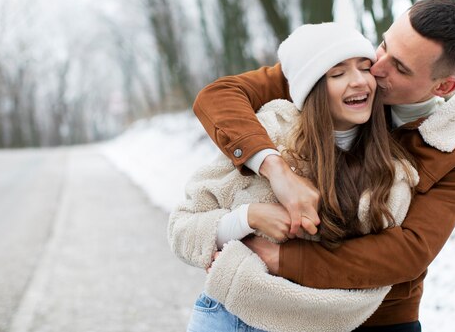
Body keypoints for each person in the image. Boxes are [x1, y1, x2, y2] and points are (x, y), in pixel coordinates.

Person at [192, 0, 455, 331]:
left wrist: (279, 259)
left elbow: (408, 250)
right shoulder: (345, 67)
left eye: (401, 68)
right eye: (384, 45)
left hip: (380, 317)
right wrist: (276, 169)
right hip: (280, 307)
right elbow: (220, 96)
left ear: (444, 86)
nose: (376, 70)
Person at [168, 23, 418, 332]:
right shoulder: (270, 135)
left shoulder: (390, 172)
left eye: (366, 68)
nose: (358, 82)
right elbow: (182, 229)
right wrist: (249, 217)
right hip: (229, 318)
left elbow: (377, 275)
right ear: (309, 88)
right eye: (337, 74)